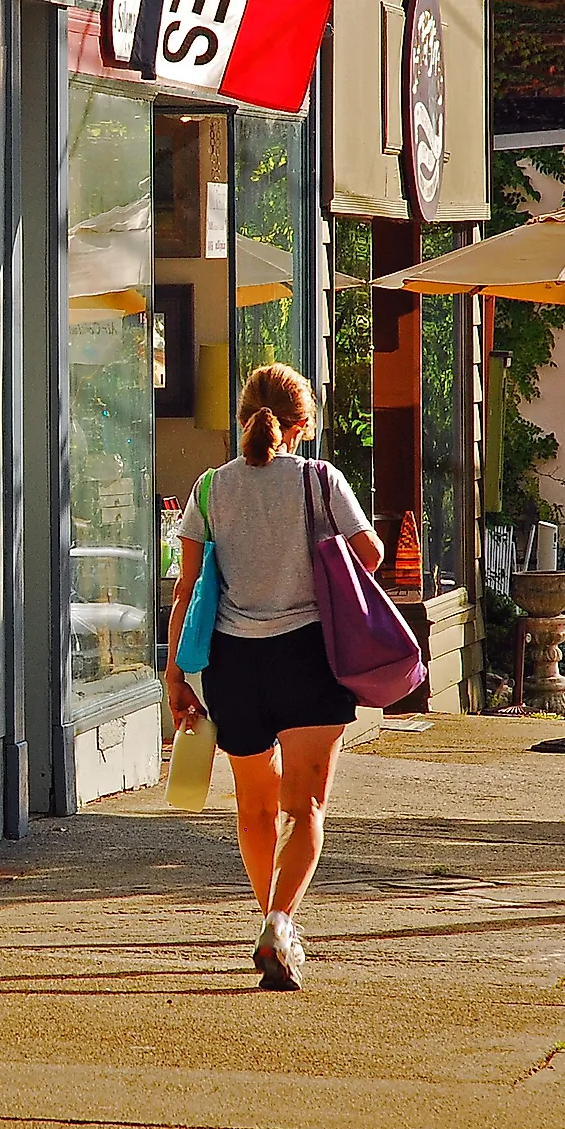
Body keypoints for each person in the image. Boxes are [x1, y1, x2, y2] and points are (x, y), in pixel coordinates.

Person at [164, 363, 381, 991]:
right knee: (306, 803)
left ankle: (269, 922)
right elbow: (367, 554)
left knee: (255, 806)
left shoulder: (210, 490)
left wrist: (176, 674)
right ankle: (281, 923)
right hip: (309, 655)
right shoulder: (321, 481)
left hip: (236, 663)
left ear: (243, 419)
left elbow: (187, 589)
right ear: (303, 424)